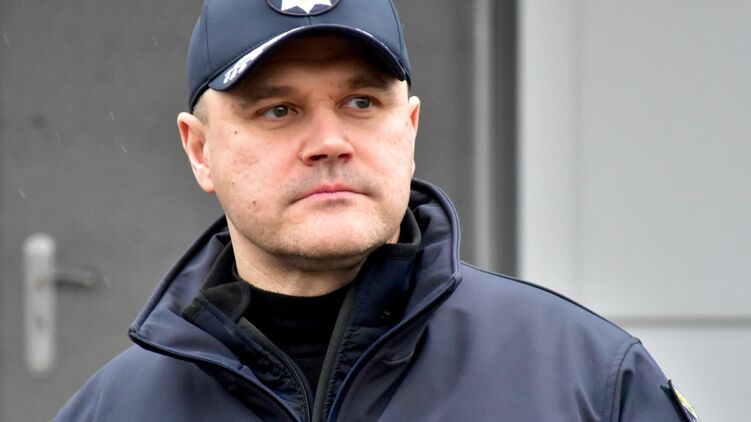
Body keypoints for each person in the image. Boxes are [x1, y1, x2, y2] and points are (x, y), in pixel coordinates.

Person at [55, 0, 700, 421]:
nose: (329, 142)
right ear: (200, 151)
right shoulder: (115, 411)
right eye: (278, 110)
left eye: (361, 103)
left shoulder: (583, 380)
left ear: (409, 128)